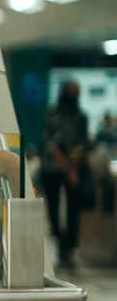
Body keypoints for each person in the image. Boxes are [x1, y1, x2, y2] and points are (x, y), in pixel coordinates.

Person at [40, 80, 91, 268]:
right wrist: (66, 166)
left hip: (74, 169)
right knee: (53, 209)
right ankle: (59, 244)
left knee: (73, 210)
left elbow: (82, 143)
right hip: (53, 168)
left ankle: (70, 247)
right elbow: (50, 144)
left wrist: (74, 166)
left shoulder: (80, 116)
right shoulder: (52, 114)